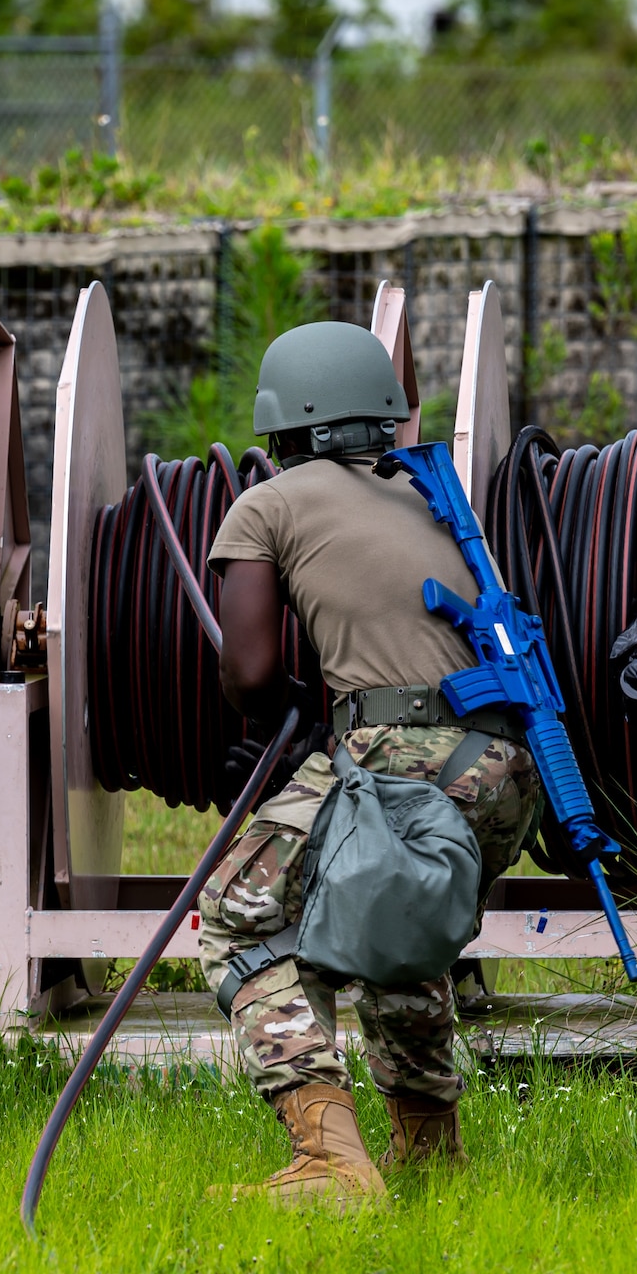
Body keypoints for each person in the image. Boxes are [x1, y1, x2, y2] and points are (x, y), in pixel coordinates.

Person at [197, 321, 546, 1205]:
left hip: (400, 750)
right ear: (383, 416)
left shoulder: (269, 502)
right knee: (394, 915)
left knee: (238, 915)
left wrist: (277, 715)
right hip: (508, 765)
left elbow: (246, 670)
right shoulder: (433, 500)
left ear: (281, 427)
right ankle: (429, 1151)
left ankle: (328, 1161)